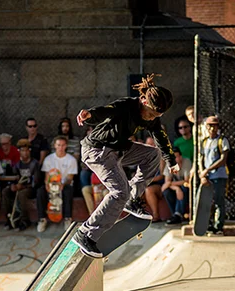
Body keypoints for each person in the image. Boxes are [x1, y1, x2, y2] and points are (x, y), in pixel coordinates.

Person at [73, 73, 175, 257]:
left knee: (152, 155)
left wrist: (171, 160)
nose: (151, 119)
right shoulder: (127, 105)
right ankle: (86, 234)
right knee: (120, 191)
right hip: (97, 151)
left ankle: (132, 199)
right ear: (143, 101)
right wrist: (89, 115)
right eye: (151, 114)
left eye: (156, 116)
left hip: (118, 150)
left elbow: (160, 136)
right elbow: (106, 110)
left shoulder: (153, 117)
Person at [36, 136, 78, 232]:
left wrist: (62, 184)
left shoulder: (71, 159)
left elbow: (70, 178)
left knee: (68, 191)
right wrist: (47, 184)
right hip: (52, 184)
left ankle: (67, 218)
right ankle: (42, 219)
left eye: (63, 145)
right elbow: (47, 176)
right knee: (40, 192)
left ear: (66, 146)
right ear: (55, 145)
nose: (61, 147)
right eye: (58, 145)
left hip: (64, 184)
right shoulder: (48, 159)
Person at [198, 116, 230, 236]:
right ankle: (208, 224)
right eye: (210, 126)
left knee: (218, 201)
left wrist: (208, 169)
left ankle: (219, 226)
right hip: (207, 176)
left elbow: (223, 159)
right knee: (206, 201)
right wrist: (202, 173)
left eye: (214, 126)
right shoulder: (204, 141)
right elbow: (201, 158)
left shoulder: (222, 141)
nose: (212, 128)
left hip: (219, 175)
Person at [2, 138, 40, 232]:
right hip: (20, 187)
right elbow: (14, 177)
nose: (25, 153)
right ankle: (10, 218)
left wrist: (22, 187)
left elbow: (36, 182)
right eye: (22, 150)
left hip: (31, 189)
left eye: (27, 150)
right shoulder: (18, 164)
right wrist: (12, 186)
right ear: (19, 151)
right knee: (6, 191)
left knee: (22, 194)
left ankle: (25, 220)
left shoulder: (34, 164)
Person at [162, 146, 191, 225]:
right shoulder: (170, 164)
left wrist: (172, 184)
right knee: (166, 191)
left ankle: (178, 214)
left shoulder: (186, 162)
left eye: (176, 157)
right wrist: (176, 188)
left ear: (180, 157)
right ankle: (175, 214)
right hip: (175, 188)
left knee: (184, 187)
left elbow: (187, 181)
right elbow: (166, 183)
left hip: (186, 187)